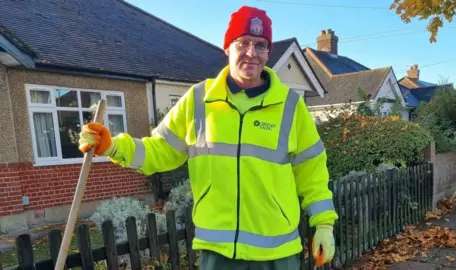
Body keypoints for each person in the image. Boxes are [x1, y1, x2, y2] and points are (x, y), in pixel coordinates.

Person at [79, 5, 338, 270]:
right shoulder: (198, 100)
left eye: (260, 45)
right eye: (243, 43)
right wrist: (112, 146)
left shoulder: (291, 107)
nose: (252, 53)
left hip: (277, 256)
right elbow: (160, 150)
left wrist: (324, 224)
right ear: (227, 47)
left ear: (269, 52)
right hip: (217, 254)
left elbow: (312, 174)